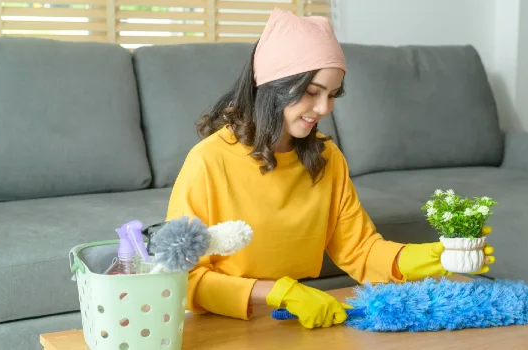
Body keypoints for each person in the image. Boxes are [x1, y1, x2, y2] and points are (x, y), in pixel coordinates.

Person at [166, 8, 495, 329]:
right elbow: (186, 278)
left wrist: (434, 257)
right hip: (227, 324)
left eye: (333, 94)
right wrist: (281, 292)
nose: (323, 108)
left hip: (290, 321)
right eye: (311, 92)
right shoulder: (208, 161)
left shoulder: (326, 158)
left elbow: (361, 250)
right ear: (272, 86)